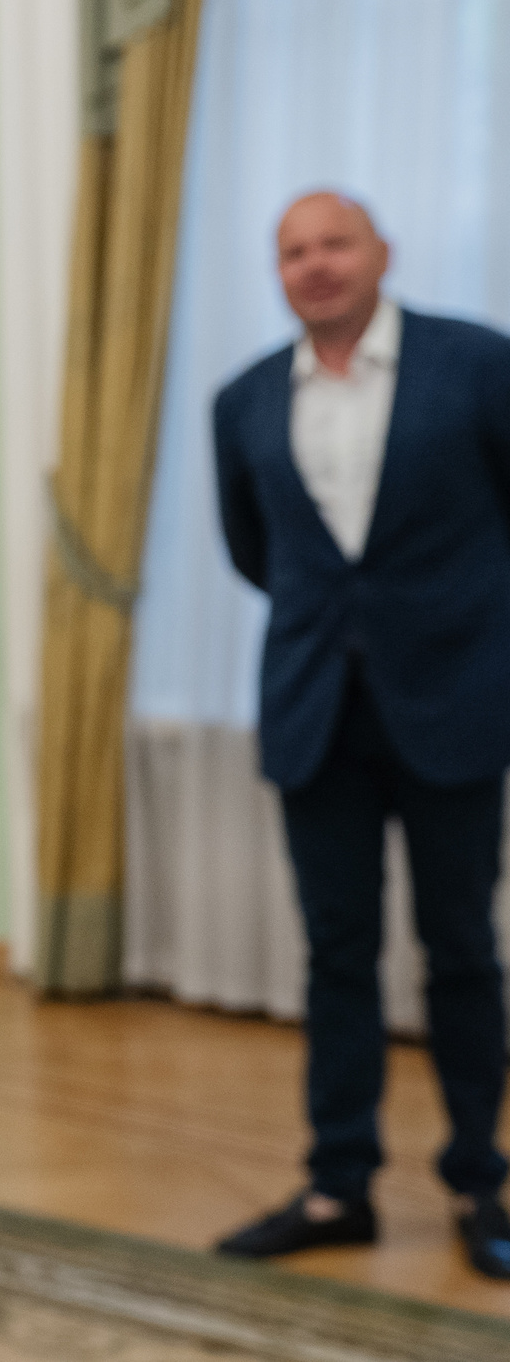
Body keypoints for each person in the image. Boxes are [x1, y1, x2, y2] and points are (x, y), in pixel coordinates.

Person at [211, 191, 510, 1278]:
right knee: (335, 958)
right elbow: (262, 553)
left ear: (381, 250)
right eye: (292, 250)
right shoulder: (240, 400)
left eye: (334, 242)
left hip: (455, 709)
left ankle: (481, 1182)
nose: (315, 264)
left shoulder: (478, 365)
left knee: (462, 953)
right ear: (277, 272)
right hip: (314, 719)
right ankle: (340, 1186)